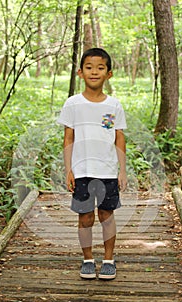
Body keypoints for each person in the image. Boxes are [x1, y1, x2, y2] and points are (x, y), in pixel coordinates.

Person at [57, 47, 127, 280]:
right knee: (85, 217)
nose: (94, 72)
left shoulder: (113, 105)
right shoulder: (73, 104)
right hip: (82, 170)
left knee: (106, 216)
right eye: (89, 67)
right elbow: (69, 138)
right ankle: (88, 259)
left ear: (109, 74)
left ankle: (109, 260)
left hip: (107, 171)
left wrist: (122, 170)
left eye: (100, 68)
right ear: (80, 72)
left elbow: (118, 137)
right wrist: (68, 169)